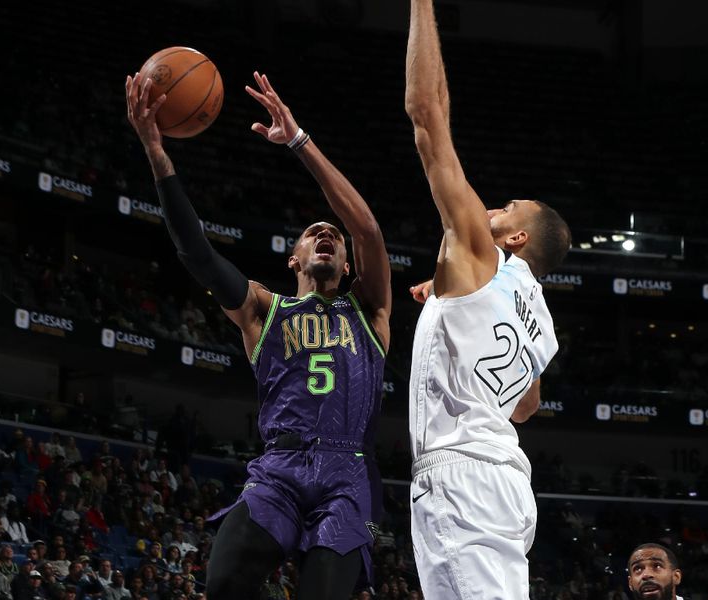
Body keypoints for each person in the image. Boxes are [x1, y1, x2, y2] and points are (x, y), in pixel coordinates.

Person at [125, 68, 391, 600]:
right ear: (293, 257)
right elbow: (196, 253)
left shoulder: (370, 308)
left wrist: (297, 141)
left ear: (344, 259)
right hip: (279, 470)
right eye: (314, 233)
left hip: (347, 474)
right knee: (222, 582)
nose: (327, 236)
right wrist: (157, 153)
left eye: (332, 236)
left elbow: (366, 228)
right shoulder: (262, 309)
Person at [404, 1, 571, 598]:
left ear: (518, 237)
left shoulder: (483, 255)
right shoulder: (543, 326)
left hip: (463, 478)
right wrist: (457, 310)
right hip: (508, 484)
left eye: (509, 208)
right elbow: (524, 406)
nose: (494, 206)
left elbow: (428, 114)